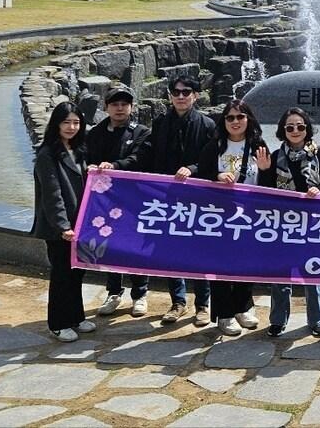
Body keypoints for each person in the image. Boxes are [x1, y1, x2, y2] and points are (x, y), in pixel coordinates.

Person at [139, 76, 216, 326]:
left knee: (200, 252)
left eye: (187, 92)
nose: (181, 96)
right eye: (176, 92)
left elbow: (212, 160)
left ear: (195, 95)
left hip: (198, 200)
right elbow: (148, 157)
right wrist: (116, 169)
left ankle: (202, 305)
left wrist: (192, 168)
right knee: (170, 251)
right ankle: (178, 302)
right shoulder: (161, 123)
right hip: (167, 198)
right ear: (170, 96)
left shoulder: (206, 124)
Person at [197, 100, 269, 335]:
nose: (235, 122)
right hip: (219, 215)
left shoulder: (258, 145)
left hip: (249, 215)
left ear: (249, 119)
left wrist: (266, 170)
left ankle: (243, 307)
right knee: (220, 264)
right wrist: (217, 175)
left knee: (246, 263)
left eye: (240, 117)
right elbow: (203, 172)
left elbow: (267, 184)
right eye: (230, 118)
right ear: (224, 121)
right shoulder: (215, 145)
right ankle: (224, 314)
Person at [262, 106, 320, 338]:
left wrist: (318, 188)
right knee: (281, 271)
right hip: (284, 221)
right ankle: (278, 320)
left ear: (307, 129)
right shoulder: (274, 156)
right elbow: (265, 189)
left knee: (314, 269)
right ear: (283, 129)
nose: (295, 130)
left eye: (300, 126)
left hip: (313, 220)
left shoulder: (318, 152)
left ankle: (318, 320)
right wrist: (263, 170)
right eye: (290, 127)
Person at [31, 102, 97, 342]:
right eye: (66, 122)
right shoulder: (47, 153)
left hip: (79, 224)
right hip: (59, 228)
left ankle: (76, 317)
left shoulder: (79, 150)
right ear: (56, 124)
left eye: (76, 122)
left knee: (76, 273)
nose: (71, 127)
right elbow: (52, 194)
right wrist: (62, 226)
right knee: (61, 274)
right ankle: (58, 323)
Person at [87, 88, 152, 318]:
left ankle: (140, 294)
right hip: (105, 202)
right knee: (109, 244)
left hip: (135, 201)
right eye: (115, 103)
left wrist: (115, 166)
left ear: (131, 107)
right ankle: (113, 292)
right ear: (106, 107)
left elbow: (139, 159)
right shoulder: (95, 133)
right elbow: (87, 159)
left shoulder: (142, 132)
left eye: (125, 103)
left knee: (136, 245)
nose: (120, 107)